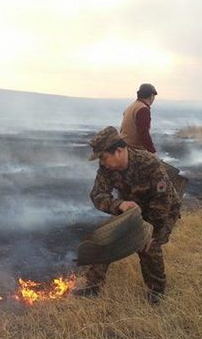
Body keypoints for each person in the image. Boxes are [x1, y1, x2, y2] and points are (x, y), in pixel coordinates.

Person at [77, 126, 181, 302]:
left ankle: (156, 292)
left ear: (118, 151)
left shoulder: (149, 163)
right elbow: (97, 195)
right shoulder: (106, 169)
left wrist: (149, 231)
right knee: (105, 238)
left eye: (103, 157)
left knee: (148, 246)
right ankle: (93, 287)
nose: (101, 163)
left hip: (163, 209)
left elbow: (162, 201)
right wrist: (119, 205)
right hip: (132, 211)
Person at [120, 83, 158, 153]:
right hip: (134, 150)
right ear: (151, 96)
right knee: (157, 163)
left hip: (124, 146)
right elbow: (143, 133)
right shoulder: (143, 109)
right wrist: (152, 152)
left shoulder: (132, 106)